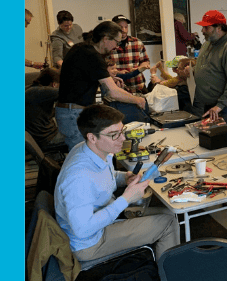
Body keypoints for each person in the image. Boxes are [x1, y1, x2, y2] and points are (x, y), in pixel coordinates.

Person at [54, 104, 180, 261]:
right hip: (90, 243)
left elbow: (104, 177)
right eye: (114, 135)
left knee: (169, 213)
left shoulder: (93, 150)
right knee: (167, 224)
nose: (122, 138)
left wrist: (124, 177)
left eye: (122, 131)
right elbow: (82, 230)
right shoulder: (79, 178)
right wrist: (126, 199)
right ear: (92, 137)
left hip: (102, 220)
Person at [56, 21, 147, 148]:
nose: (117, 46)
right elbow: (113, 92)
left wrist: (109, 79)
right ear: (105, 39)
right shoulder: (92, 55)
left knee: (89, 153)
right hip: (73, 113)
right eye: (116, 42)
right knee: (83, 158)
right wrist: (137, 100)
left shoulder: (81, 48)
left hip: (69, 111)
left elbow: (84, 76)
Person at [194, 10, 227, 128]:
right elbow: (207, 67)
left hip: (226, 106)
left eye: (206, 28)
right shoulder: (208, 44)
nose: (202, 31)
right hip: (209, 104)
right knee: (210, 141)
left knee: (225, 142)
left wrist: (220, 105)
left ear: (218, 28)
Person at [26, 68, 66, 154]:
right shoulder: (42, 91)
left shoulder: (30, 89)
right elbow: (69, 93)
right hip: (47, 139)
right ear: (54, 84)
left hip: (37, 139)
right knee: (82, 136)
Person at [109, 15, 152, 94]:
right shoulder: (109, 44)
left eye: (126, 27)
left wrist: (140, 67)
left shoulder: (137, 42)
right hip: (118, 87)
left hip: (138, 85)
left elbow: (145, 61)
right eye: (120, 27)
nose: (124, 30)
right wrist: (118, 72)